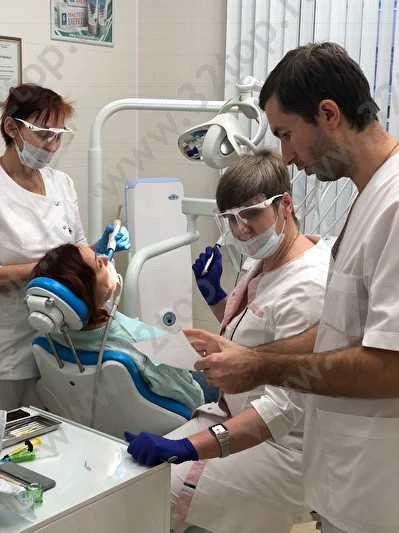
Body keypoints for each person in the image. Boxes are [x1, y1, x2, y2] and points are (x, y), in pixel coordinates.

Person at [124, 42, 399, 533]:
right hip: (341, 471)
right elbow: (337, 334)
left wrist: (260, 365)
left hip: (373, 482)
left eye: (287, 134)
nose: (287, 156)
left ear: (329, 114)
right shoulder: (369, 199)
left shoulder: (394, 204)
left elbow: (391, 365)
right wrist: (245, 350)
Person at [129, 150, 331, 533]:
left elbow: (282, 409)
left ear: (285, 205)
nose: (240, 231)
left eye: (251, 214)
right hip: (238, 418)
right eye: (230, 219)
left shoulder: (308, 286)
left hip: (283, 447)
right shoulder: (269, 261)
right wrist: (218, 299)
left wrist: (189, 447)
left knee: (151, 494)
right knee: (137, 478)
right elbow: (261, 339)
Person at [0, 83, 130, 410]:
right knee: (10, 433)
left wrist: (100, 249)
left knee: (57, 429)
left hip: (64, 342)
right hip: (10, 344)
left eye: (58, 136)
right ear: (12, 127)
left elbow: (78, 249)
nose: (52, 145)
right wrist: (43, 271)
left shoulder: (61, 184)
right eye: (44, 134)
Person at [30, 243, 204, 410]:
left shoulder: (51, 337)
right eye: (99, 264)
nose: (106, 258)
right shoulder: (144, 344)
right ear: (87, 290)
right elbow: (193, 400)